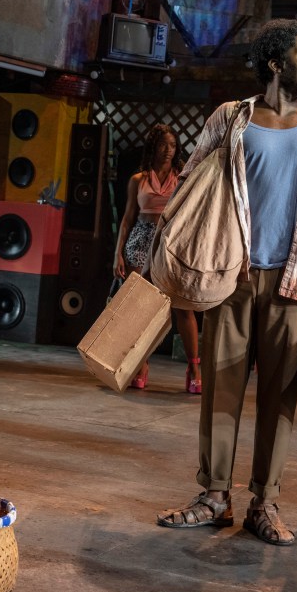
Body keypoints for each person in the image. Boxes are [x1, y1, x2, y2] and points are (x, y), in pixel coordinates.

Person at [156, 19, 297, 546]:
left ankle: (264, 503)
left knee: (279, 396)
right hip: (230, 275)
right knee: (220, 389)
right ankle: (214, 497)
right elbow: (190, 187)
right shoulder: (231, 119)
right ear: (275, 63)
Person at [113, 124, 202, 393]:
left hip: (171, 242)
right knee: (142, 308)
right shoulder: (138, 179)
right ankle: (141, 364)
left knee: (182, 307)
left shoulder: (183, 178)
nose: (168, 150)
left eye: (173, 145)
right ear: (153, 147)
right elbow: (127, 218)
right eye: (163, 144)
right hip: (140, 240)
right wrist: (118, 253)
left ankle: (194, 367)